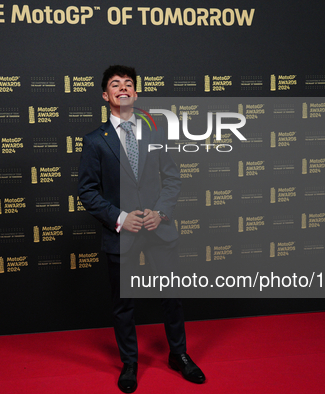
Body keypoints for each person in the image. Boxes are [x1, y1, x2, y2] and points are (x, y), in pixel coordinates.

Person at [78, 65, 205, 393]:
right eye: (116, 84)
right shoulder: (94, 141)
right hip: (123, 233)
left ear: (135, 94)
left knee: (172, 296)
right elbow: (88, 192)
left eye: (129, 84)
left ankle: (179, 354)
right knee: (124, 302)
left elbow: (173, 177)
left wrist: (160, 212)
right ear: (106, 96)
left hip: (158, 229)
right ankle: (130, 363)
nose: (123, 88)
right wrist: (120, 218)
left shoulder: (155, 132)